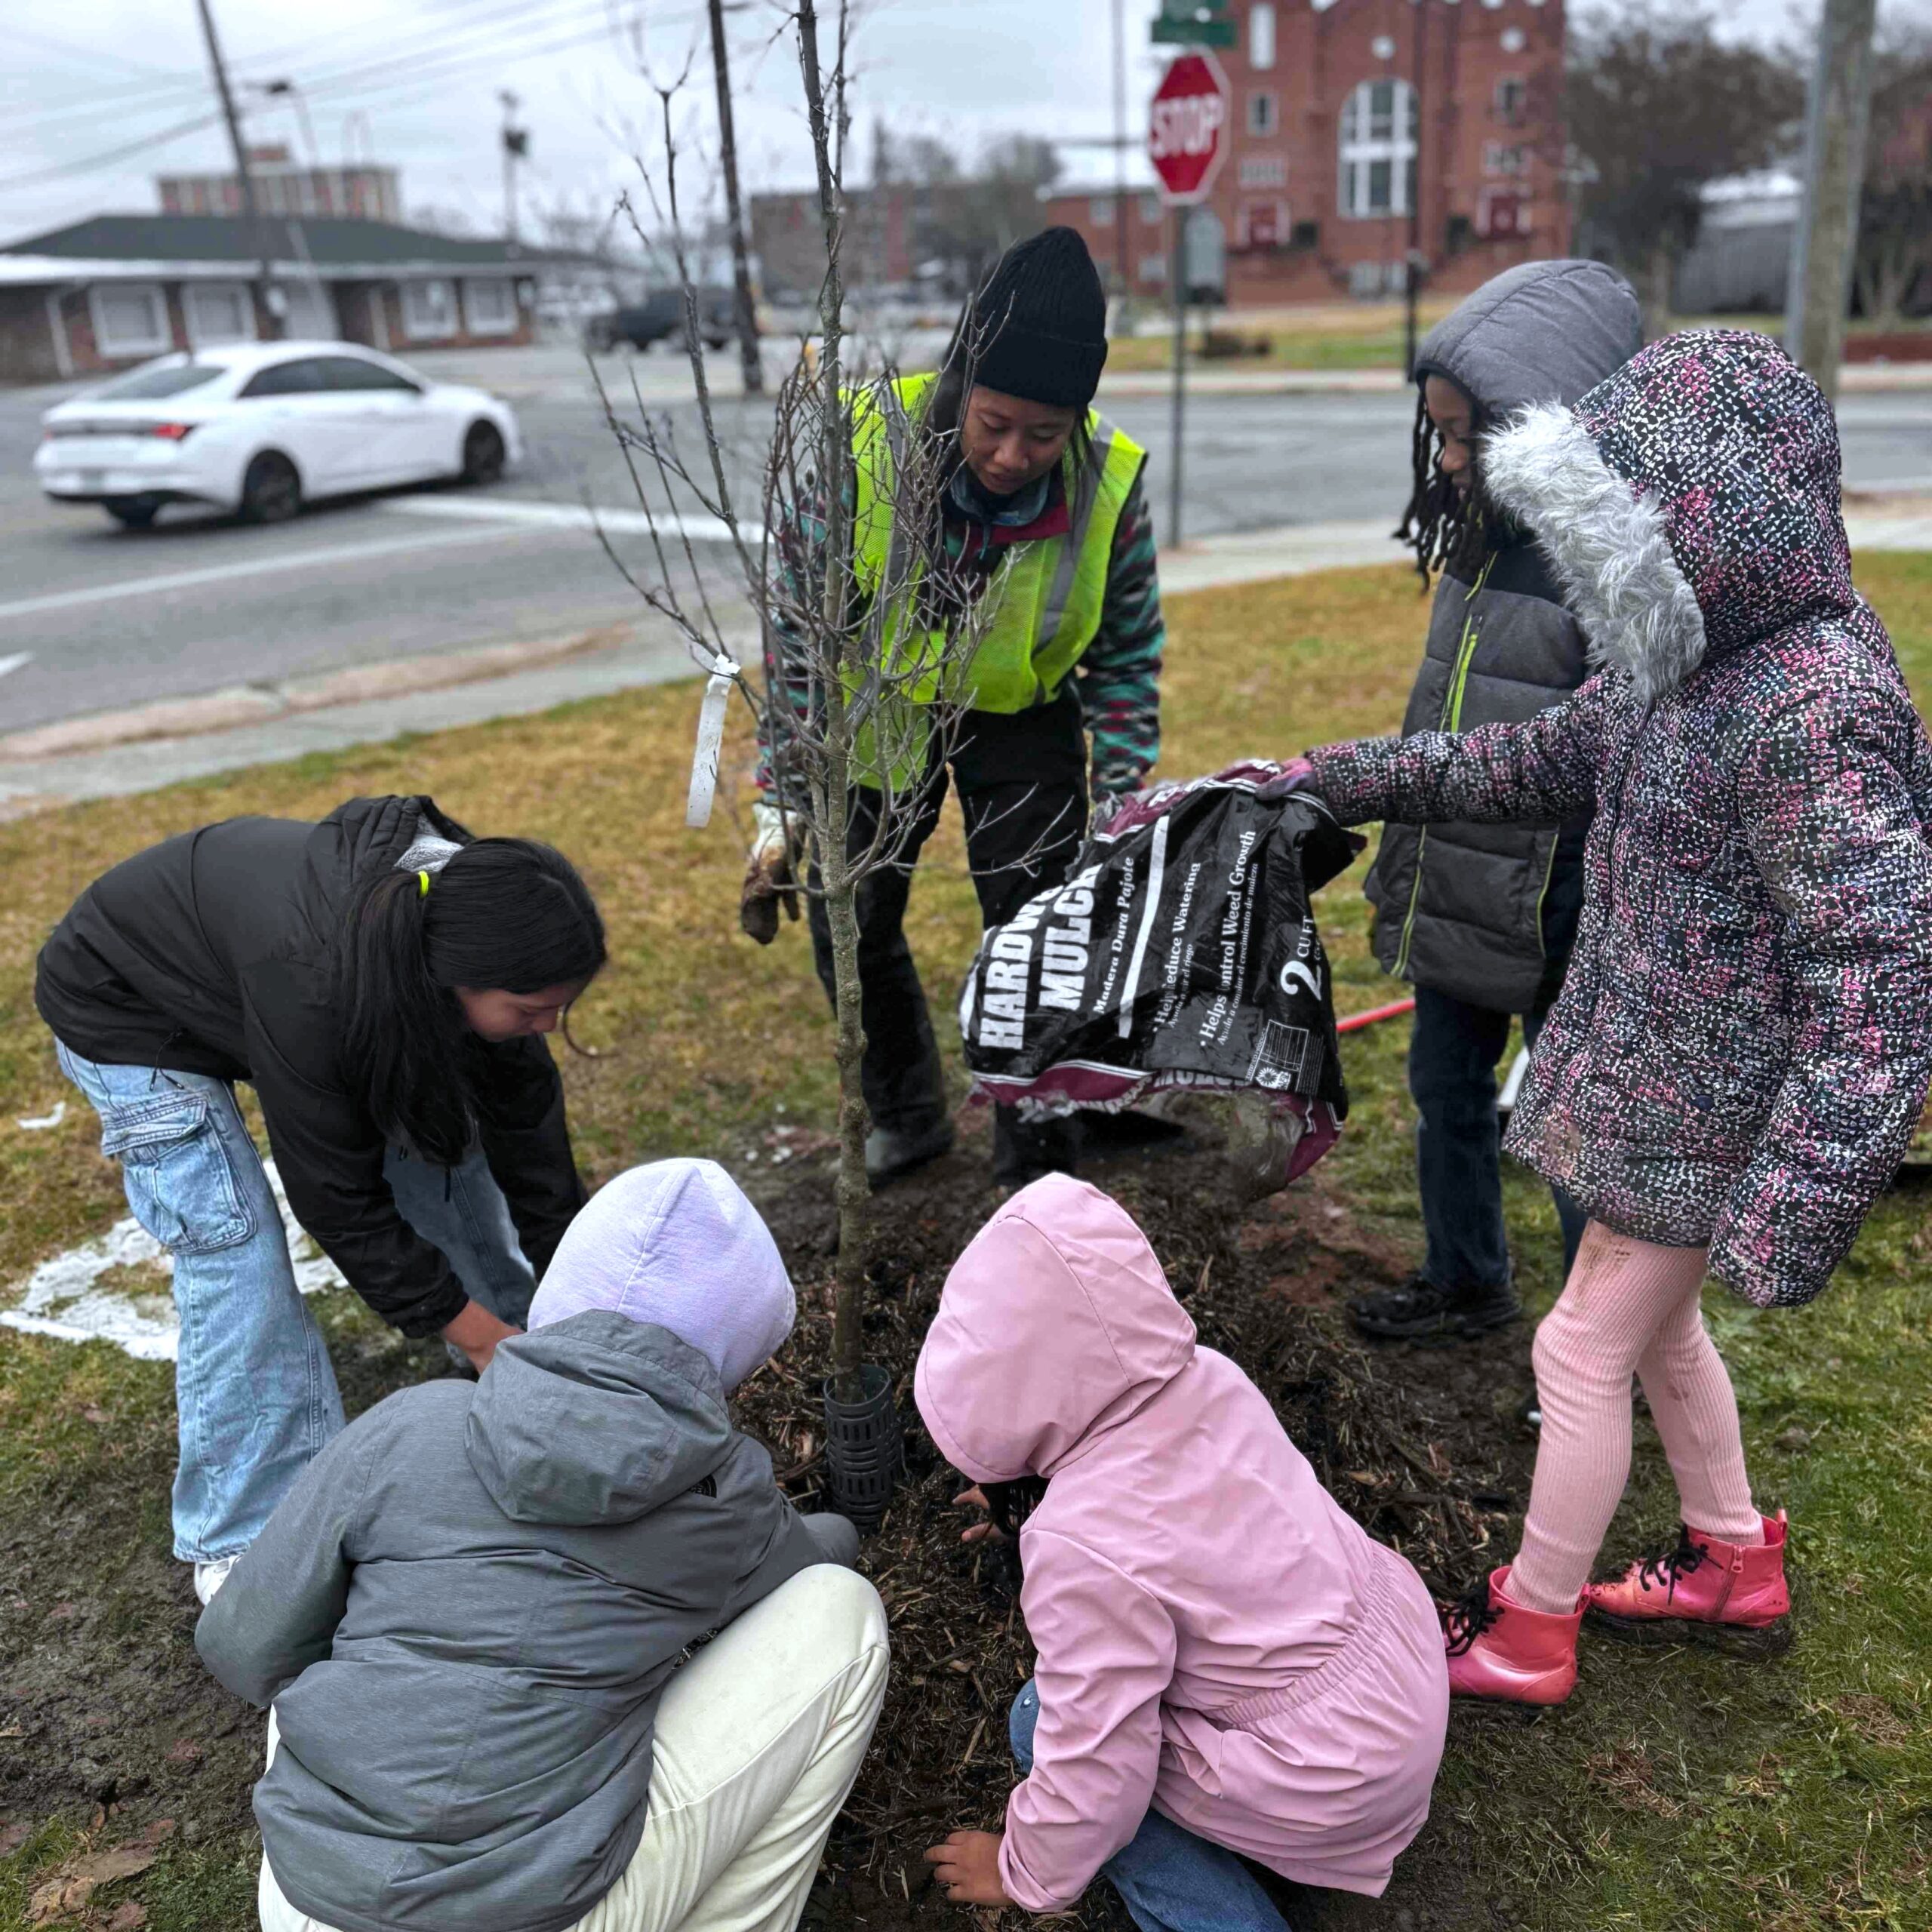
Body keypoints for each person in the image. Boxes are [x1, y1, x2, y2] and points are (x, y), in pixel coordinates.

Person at [1279, 329, 1932, 1703]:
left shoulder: (1812, 705)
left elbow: (1878, 970)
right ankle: (1734, 1557)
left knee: (1577, 1348)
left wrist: (1799, 1201)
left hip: (1704, 1107)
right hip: (1650, 1076)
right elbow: (1527, 758)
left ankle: (1532, 1626)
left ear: (1705, 524)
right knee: (1655, 1337)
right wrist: (1337, 777)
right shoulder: (1674, 667)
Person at [195, 1158, 886, 1932]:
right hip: (537, 1910)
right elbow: (813, 1561)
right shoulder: (726, 1501)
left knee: (315, 1598)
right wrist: (839, 1529)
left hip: (308, 1898)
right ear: (735, 1360)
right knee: (841, 1609)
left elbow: (241, 1647)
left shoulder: (410, 1424)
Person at [35, 795, 604, 1604]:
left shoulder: (467, 916)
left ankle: (521, 1333)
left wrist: (574, 1301)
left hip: (258, 975)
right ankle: (244, 1540)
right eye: (529, 1009)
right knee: (235, 1241)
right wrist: (480, 1339)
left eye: (560, 1007)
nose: (547, 1026)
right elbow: (337, 1198)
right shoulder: (324, 981)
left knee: (445, 1122)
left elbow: (528, 1132)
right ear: (456, 979)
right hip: (125, 997)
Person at [742, 226, 1168, 1190]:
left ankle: (1039, 1147)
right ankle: (908, 1117)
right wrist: (785, 790)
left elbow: (1127, 648)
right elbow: (799, 627)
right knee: (850, 918)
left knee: (1039, 926)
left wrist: (1123, 791)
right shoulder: (863, 447)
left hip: (1022, 714)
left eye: (1044, 433)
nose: (1015, 454)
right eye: (993, 424)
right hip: (878, 707)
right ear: (960, 386)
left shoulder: (1107, 481)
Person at [917, 1176, 1447, 1928]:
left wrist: (1022, 1873)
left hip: (1328, 1777)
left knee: (1038, 1720)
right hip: (1401, 1682)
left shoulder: (1078, 1545)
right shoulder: (1212, 1377)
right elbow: (1174, 1519)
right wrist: (1036, 1491)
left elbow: (1097, 1762)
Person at [1346, 260, 1643, 1346]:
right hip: (1458, 879)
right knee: (1444, 1089)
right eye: (1442, 435)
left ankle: (1597, 1344)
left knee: (1571, 1133)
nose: (1454, 459)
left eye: (1473, 433)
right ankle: (1467, 1275)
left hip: (1559, 902)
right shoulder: (1475, 536)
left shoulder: (1605, 564)